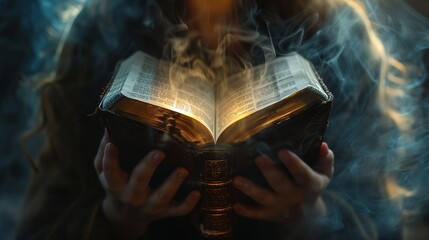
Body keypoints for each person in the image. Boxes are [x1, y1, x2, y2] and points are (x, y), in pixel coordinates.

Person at [16, 0, 377, 239]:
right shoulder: (101, 30)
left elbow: (383, 219)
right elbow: (40, 225)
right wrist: (118, 219)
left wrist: (311, 214)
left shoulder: (335, 30)